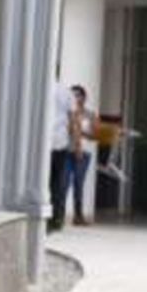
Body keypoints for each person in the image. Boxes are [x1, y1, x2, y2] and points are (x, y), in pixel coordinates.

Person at [65, 84, 99, 226]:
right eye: (72, 95)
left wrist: (79, 131)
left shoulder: (90, 114)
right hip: (67, 150)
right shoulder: (67, 113)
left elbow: (95, 134)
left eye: (77, 95)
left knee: (78, 183)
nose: (74, 98)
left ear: (84, 98)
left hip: (83, 153)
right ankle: (58, 214)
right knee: (63, 182)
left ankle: (78, 216)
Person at [48, 82, 74, 232]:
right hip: (60, 143)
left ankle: (50, 217)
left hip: (43, 145)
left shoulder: (40, 87)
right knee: (57, 183)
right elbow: (73, 120)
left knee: (46, 183)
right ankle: (56, 219)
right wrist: (75, 143)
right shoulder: (66, 92)